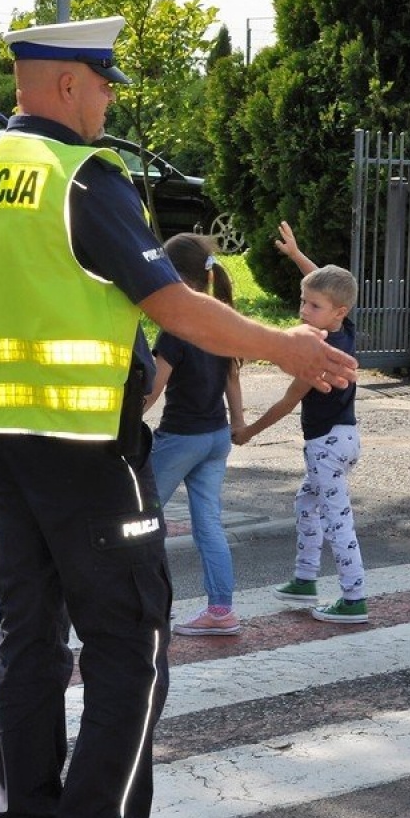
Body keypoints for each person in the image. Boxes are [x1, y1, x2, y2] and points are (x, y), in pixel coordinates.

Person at [0, 15, 357, 818]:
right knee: (131, 638)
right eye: (102, 85)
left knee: (29, 643)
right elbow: (170, 302)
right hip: (91, 445)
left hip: (2, 446)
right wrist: (283, 346)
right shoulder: (82, 177)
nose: (107, 103)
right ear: (66, 85)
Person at [233, 221, 366, 624]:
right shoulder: (344, 326)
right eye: (303, 302)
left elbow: (288, 402)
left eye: (313, 307)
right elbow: (325, 286)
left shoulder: (319, 352)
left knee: (338, 519)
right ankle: (305, 579)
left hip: (326, 445)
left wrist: (247, 432)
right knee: (307, 503)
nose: (304, 310)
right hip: (342, 439)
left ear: (337, 313)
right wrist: (296, 256)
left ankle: (354, 597)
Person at [143, 233, 246, 637]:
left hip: (181, 439)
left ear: (171, 274)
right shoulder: (221, 319)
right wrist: (238, 424)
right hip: (216, 437)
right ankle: (221, 610)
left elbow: (153, 391)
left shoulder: (176, 328)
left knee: (141, 518)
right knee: (209, 525)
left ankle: (148, 608)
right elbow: (232, 378)